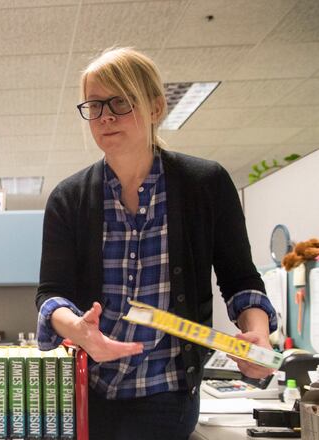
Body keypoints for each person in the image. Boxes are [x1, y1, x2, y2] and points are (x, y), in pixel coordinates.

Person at [35, 47, 277, 440]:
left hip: (167, 391)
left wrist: (258, 336)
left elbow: (241, 281)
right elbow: (51, 296)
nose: (106, 116)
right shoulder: (69, 198)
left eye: (121, 102)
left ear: (156, 107)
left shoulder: (206, 184)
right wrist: (77, 329)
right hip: (87, 390)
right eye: (94, 105)